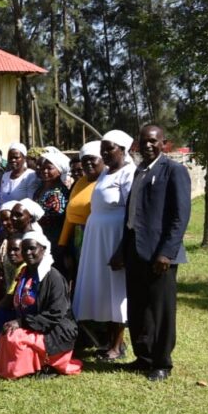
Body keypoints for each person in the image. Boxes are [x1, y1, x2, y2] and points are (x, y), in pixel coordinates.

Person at [112, 124, 191, 382]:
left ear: (163, 143)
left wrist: (166, 252)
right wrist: (122, 249)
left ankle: (162, 363)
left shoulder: (174, 170)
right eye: (144, 140)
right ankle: (143, 357)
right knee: (138, 308)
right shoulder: (140, 171)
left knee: (161, 311)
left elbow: (180, 216)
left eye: (153, 141)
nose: (148, 145)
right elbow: (132, 216)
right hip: (135, 252)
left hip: (160, 255)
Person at [72, 131, 135, 361]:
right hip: (97, 238)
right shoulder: (106, 173)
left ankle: (118, 345)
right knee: (104, 288)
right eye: (103, 150)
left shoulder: (128, 173)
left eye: (110, 149)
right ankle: (109, 341)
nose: (105, 153)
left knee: (116, 290)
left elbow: (131, 212)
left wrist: (122, 250)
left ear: (123, 150)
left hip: (114, 237)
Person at [0, 231, 82, 379]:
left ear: (43, 249)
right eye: (24, 249)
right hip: (34, 324)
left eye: (32, 248)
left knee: (15, 338)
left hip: (55, 330)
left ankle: (42, 365)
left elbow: (55, 314)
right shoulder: (25, 272)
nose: (28, 252)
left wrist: (22, 323)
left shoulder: (53, 277)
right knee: (6, 330)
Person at [58, 141, 103, 280]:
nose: (88, 163)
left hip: (98, 237)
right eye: (84, 160)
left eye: (92, 158)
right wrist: (63, 243)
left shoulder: (106, 182)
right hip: (78, 238)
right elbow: (69, 215)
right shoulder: (80, 182)